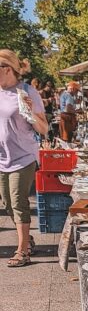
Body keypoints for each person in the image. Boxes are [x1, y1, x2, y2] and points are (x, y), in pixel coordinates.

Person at [0, 49, 49, 266]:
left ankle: (22, 251)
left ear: (6, 69)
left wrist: (30, 112)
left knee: (19, 201)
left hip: (24, 155)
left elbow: (44, 129)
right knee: (8, 202)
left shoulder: (27, 92)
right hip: (3, 157)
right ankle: (26, 239)